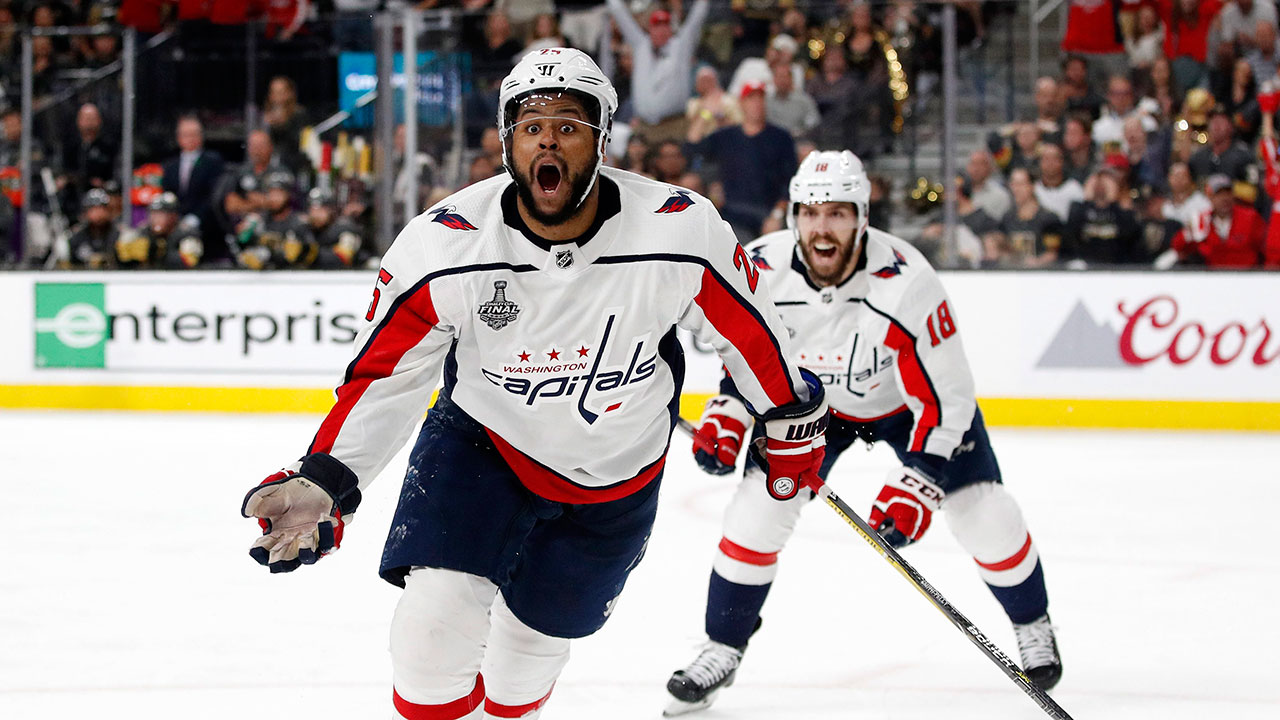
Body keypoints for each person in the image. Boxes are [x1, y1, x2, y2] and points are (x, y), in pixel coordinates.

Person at [239, 48, 828, 720]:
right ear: (507, 142)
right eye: (531, 126)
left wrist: (789, 418)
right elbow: (384, 376)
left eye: (570, 126)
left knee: (522, 672)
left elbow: (749, 333)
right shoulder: (445, 245)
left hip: (615, 472)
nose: (548, 139)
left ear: (603, 141)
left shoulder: (679, 230)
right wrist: (326, 477)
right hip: (483, 445)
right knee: (430, 638)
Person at [664, 150, 1062, 717]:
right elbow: (742, 348)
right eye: (810, 212)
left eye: (838, 213)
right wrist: (730, 407)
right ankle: (721, 647)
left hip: (904, 406)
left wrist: (921, 477)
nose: (822, 227)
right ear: (793, 215)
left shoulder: (909, 283)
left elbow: (946, 396)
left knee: (984, 512)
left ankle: (1032, 624)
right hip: (810, 409)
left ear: (863, 217)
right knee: (756, 511)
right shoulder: (757, 267)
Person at [686, 82, 797, 243]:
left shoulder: (781, 137)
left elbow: (791, 181)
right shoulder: (726, 136)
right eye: (751, 99)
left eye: (760, 98)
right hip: (734, 214)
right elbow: (691, 147)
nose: (756, 104)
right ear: (741, 103)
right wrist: (706, 113)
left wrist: (777, 215)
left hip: (770, 213)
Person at [605, 0, 711, 142]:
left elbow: (697, 17)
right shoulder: (640, 45)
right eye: (657, 26)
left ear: (670, 29)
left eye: (665, 26)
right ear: (650, 29)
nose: (661, 31)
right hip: (644, 126)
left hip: (673, 125)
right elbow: (619, 13)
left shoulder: (681, 47)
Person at [161, 116, 226, 261]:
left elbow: (214, 196)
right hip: (175, 227)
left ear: (201, 136)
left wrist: (195, 218)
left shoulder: (213, 162)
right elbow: (167, 194)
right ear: (178, 138)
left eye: (194, 134)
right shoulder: (170, 166)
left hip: (206, 228)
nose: (190, 138)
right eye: (185, 134)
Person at [115, 191, 204, 269]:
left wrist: (157, 252)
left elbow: (189, 262)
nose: (155, 219)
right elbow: (123, 258)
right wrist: (127, 256)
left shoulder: (186, 233)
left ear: (173, 216)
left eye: (161, 213)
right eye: (153, 213)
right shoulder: (144, 231)